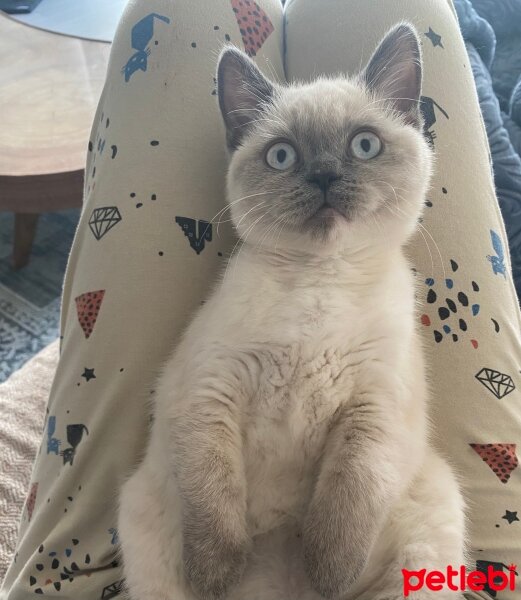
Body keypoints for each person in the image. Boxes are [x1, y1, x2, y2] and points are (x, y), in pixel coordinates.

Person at [2, 0, 521, 598]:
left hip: (372, 564)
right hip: (217, 567)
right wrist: (215, 541)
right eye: (281, 155)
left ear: (412, 124)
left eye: (365, 145)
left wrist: (339, 545)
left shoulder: (392, 293)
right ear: (238, 151)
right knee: (144, 502)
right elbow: (197, 411)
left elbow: (381, 433)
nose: (326, 176)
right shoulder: (247, 286)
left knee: (437, 504)